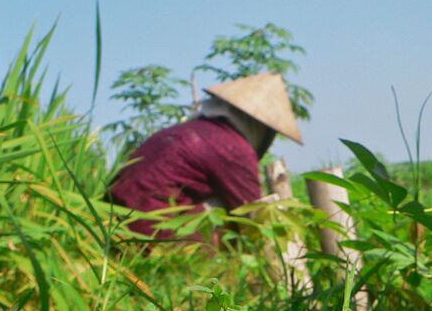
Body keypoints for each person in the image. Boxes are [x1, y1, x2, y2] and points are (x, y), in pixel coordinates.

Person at [108, 71, 302, 239]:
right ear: (259, 127)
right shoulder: (233, 148)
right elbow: (251, 217)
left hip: (111, 219)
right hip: (149, 230)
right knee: (223, 218)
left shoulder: (191, 131)